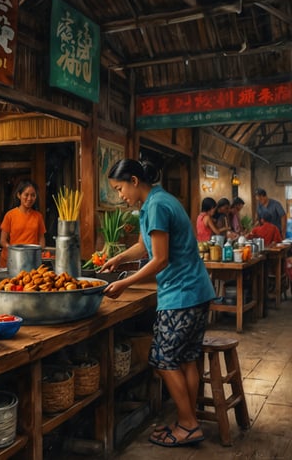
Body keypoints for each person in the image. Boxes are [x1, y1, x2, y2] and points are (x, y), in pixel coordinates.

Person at [100, 159, 214, 448]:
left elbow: (160, 259)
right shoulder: (156, 201)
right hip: (196, 291)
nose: (120, 195)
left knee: (163, 360)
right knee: (186, 358)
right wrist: (118, 259)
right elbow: (145, 246)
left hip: (181, 294)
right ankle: (187, 422)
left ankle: (188, 424)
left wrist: (125, 283)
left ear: (135, 181)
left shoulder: (156, 206)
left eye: (120, 188)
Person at [0, 180, 46, 267]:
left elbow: (41, 239)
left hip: (31, 260)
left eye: (33, 195)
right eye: (26, 195)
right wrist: (14, 250)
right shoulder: (10, 215)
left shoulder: (38, 216)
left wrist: (39, 252)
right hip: (11, 260)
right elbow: (2, 240)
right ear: (19, 195)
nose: (29, 198)